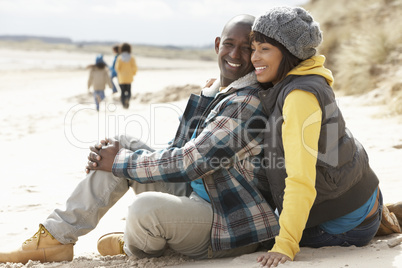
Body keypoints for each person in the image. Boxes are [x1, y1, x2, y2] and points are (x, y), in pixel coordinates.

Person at [0, 14, 280, 264]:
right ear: (218, 44)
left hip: (228, 224)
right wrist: (117, 157)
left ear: (257, 55)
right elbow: (177, 150)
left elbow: (188, 162)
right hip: (197, 196)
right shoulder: (219, 93)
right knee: (121, 143)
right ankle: (55, 239)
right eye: (230, 43)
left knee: (143, 209)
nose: (236, 54)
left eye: (248, 48)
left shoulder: (247, 102)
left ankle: (141, 242)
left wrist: (120, 163)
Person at [249, 6, 389, 267]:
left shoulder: (299, 97)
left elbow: (300, 179)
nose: (254, 57)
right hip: (363, 195)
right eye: (253, 48)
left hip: (349, 223)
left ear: (289, 52)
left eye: (264, 49)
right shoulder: (310, 78)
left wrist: (285, 245)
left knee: (255, 237)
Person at [115, 43, 138, 109]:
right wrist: (133, 73)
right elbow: (134, 67)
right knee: (129, 91)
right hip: (129, 77)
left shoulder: (119, 58)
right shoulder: (132, 58)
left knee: (122, 92)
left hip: (121, 78)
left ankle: (124, 105)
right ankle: (127, 99)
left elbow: (117, 67)